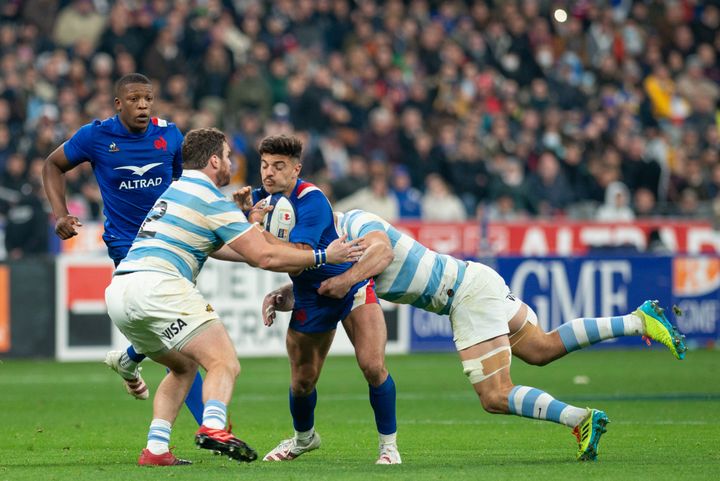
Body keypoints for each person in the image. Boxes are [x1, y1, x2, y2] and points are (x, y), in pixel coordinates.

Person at [265, 209, 688, 461]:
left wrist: (344, 282)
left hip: (464, 295)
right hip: (474, 279)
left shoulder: (356, 223)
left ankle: (580, 420)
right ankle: (638, 320)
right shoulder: (332, 249)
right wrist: (287, 294)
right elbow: (325, 284)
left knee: (494, 396)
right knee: (541, 348)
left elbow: (383, 252)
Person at [105, 127, 362, 466]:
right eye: (228, 157)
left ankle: (155, 449)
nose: (231, 163)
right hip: (160, 285)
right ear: (214, 160)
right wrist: (323, 257)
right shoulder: (211, 198)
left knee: (183, 368)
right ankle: (213, 427)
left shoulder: (176, 190)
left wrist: (249, 225)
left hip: (121, 291)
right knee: (223, 362)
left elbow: (227, 249)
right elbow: (264, 257)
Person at [42, 73, 204, 421]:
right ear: (119, 104)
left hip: (170, 244)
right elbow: (52, 165)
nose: (143, 105)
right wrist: (60, 214)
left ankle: (130, 358)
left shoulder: (170, 135)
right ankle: (211, 426)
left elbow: (181, 188)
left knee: (172, 330)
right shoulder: (96, 136)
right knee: (182, 334)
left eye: (148, 98)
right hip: (127, 247)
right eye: (134, 99)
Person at [239, 135, 402, 464]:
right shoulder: (260, 198)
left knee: (373, 366)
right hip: (311, 298)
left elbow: (300, 254)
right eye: (264, 165)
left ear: (296, 169)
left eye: (278, 166)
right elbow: (241, 234)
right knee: (301, 383)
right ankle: (304, 439)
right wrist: (241, 212)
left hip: (347, 284)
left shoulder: (311, 200)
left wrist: (253, 229)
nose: (268, 173)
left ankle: (389, 447)